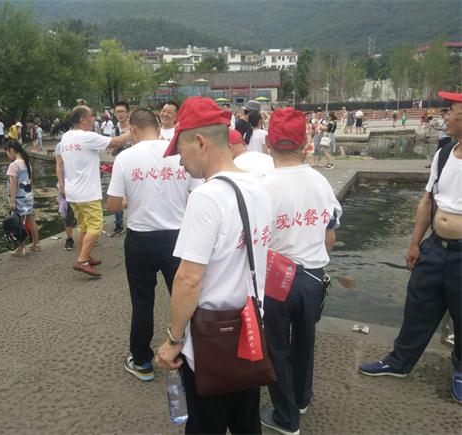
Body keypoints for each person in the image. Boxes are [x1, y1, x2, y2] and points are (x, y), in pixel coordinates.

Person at [155, 96, 274, 434]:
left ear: (200, 142)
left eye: (180, 151)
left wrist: (173, 339)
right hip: (249, 329)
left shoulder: (207, 197)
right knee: (246, 422)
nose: (180, 162)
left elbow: (188, 279)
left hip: (212, 340)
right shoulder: (258, 186)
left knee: (206, 424)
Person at [359, 91, 462, 404]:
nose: (446, 116)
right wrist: (415, 243)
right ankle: (399, 361)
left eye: (452, 111)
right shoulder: (444, 153)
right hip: (435, 247)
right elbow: (427, 200)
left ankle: (460, 370)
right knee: (418, 306)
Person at [259, 107, 342, 435]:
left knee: (276, 347)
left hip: (276, 281)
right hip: (313, 278)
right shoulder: (321, 183)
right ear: (306, 142)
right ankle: (302, 398)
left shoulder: (262, 187)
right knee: (305, 341)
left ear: (268, 144)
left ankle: (286, 418)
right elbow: (330, 235)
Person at [107, 108, 194, 382]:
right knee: (184, 299)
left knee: (142, 302)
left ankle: (142, 362)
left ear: (133, 129)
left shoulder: (125, 158)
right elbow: (196, 194)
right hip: (177, 238)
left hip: (140, 239)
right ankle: (190, 358)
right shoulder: (180, 154)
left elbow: (113, 205)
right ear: (158, 126)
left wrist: (130, 199)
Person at [58, 105, 131, 276]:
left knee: (83, 225)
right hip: (87, 193)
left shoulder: (66, 137)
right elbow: (117, 142)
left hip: (72, 192)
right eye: (91, 115)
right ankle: (82, 260)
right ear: (83, 119)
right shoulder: (86, 137)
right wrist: (133, 128)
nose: (94, 118)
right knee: (95, 225)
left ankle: (85, 255)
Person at [4, 140, 40, 256]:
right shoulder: (26, 162)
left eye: (7, 152)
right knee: (31, 219)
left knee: (19, 223)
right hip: (28, 196)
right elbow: (30, 180)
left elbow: (13, 184)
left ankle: (21, 248)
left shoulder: (13, 165)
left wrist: (12, 201)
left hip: (19, 197)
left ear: (11, 150)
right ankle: (36, 244)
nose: (7, 155)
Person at [109, 101, 133, 237]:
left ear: (128, 113)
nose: (120, 114)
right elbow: (111, 152)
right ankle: (118, 224)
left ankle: (134, 223)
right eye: (117, 112)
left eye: (122, 111)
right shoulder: (114, 131)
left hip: (134, 167)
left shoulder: (134, 128)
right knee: (117, 195)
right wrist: (117, 147)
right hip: (119, 168)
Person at [55, 141, 76, 251]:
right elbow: (58, 166)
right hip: (67, 182)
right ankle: (69, 238)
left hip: (81, 183)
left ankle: (89, 235)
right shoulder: (61, 145)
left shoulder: (83, 141)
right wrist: (61, 186)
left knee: (85, 212)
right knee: (69, 213)